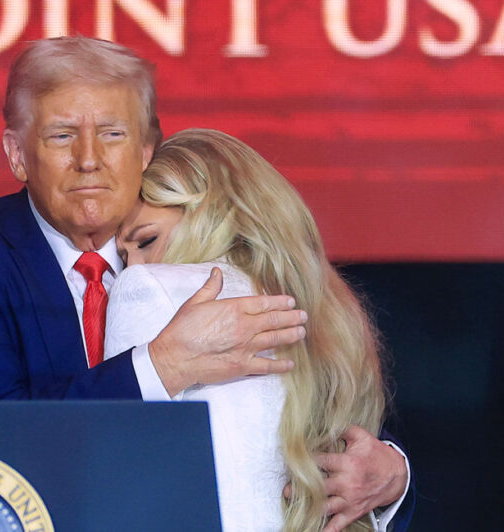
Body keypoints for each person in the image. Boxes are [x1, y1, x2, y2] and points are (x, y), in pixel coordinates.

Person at [0, 36, 410, 530]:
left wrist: (389, 473)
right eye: (62, 135)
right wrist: (160, 366)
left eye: (113, 134)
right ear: (17, 154)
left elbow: (292, 398)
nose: (89, 158)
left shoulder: (194, 240)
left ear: (145, 148)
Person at [107, 129, 406, 532]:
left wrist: (394, 474)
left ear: (212, 216)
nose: (135, 268)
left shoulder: (148, 291)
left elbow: (108, 469)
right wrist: (397, 472)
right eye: (122, 258)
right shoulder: (334, 311)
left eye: (147, 240)